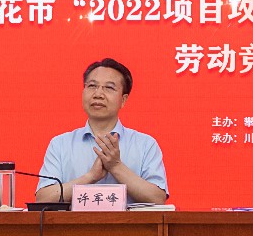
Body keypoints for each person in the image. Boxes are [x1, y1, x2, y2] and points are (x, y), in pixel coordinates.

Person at [35, 58, 168, 204]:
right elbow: (43, 198)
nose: (98, 94)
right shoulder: (60, 144)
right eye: (92, 86)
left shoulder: (145, 144)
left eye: (109, 88)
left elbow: (158, 198)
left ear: (123, 100)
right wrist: (90, 177)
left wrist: (116, 166)